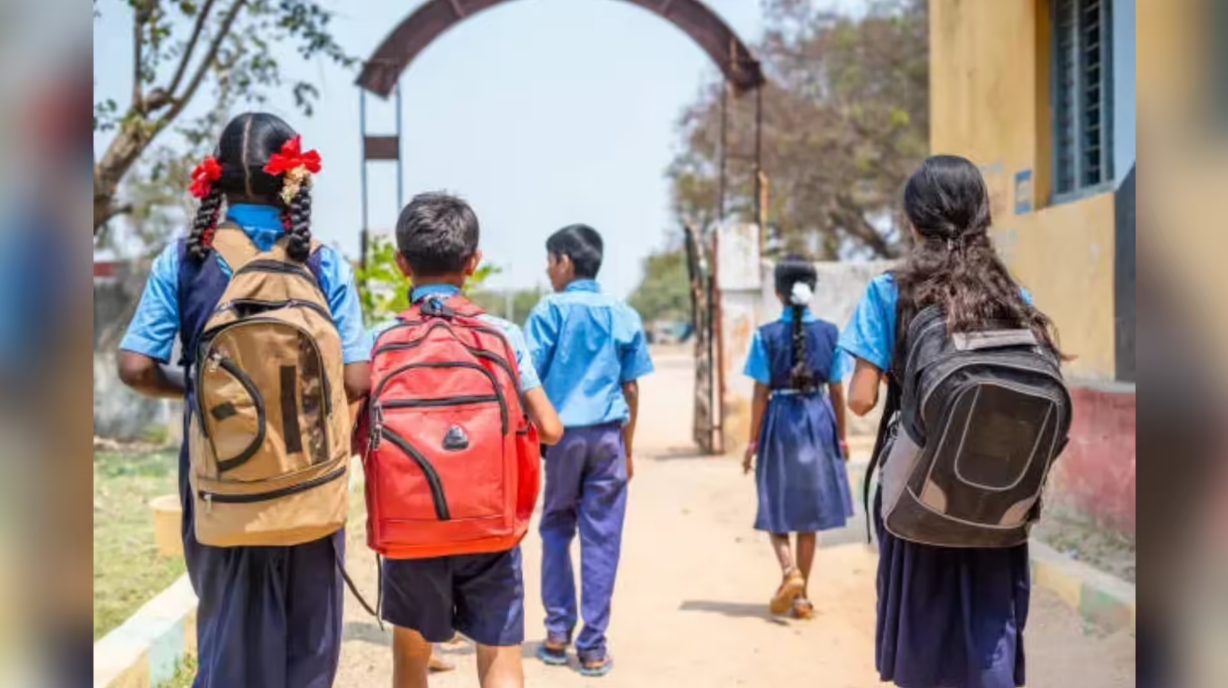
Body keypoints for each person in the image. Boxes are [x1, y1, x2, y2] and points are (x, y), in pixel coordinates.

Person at [117, 112, 371, 688]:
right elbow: (357, 380)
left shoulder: (184, 259)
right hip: (308, 477)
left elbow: (135, 367)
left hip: (218, 479)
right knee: (309, 645)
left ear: (216, 180)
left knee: (227, 639)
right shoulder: (322, 261)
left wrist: (206, 389)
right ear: (295, 182)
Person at [839, 155, 1062, 688]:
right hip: (1001, 492)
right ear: (981, 217)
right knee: (991, 623)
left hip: (920, 489)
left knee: (925, 630)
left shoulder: (889, 292)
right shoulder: (1014, 297)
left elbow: (862, 400)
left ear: (915, 221)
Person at [370, 192, 564, 688]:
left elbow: (357, 434)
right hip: (490, 526)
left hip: (409, 529)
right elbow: (551, 429)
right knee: (499, 656)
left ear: (400, 265)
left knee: (411, 658)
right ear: (473, 263)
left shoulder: (381, 341)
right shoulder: (502, 335)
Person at [523, 224, 654, 677]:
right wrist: (629, 448)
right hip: (609, 438)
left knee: (557, 527)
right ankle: (593, 647)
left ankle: (558, 635)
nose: (546, 269)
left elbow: (528, 381)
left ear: (566, 262)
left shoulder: (548, 311)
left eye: (550, 260)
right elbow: (632, 389)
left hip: (561, 439)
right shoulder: (622, 313)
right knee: (603, 537)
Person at [741, 257, 852, 620]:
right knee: (809, 514)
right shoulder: (831, 334)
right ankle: (801, 598)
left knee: (774, 501)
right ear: (813, 289)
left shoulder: (765, 335)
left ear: (777, 292)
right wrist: (843, 437)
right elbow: (836, 391)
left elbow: (760, 393)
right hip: (819, 421)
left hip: (779, 421)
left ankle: (790, 572)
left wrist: (752, 442)